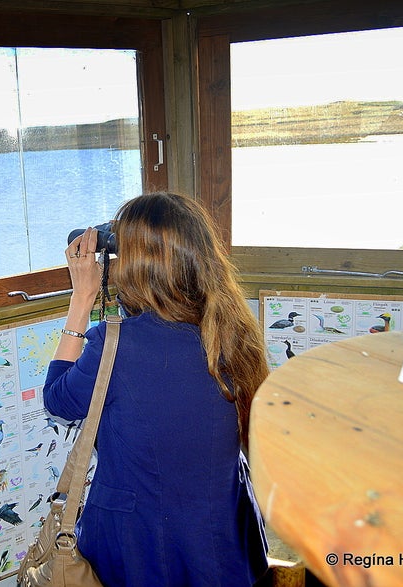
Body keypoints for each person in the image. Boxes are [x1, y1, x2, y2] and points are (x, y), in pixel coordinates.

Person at [43, 192, 269, 586]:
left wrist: (82, 298)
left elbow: (58, 400)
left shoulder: (114, 345)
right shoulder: (234, 332)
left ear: (133, 268)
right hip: (222, 537)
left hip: (133, 543)